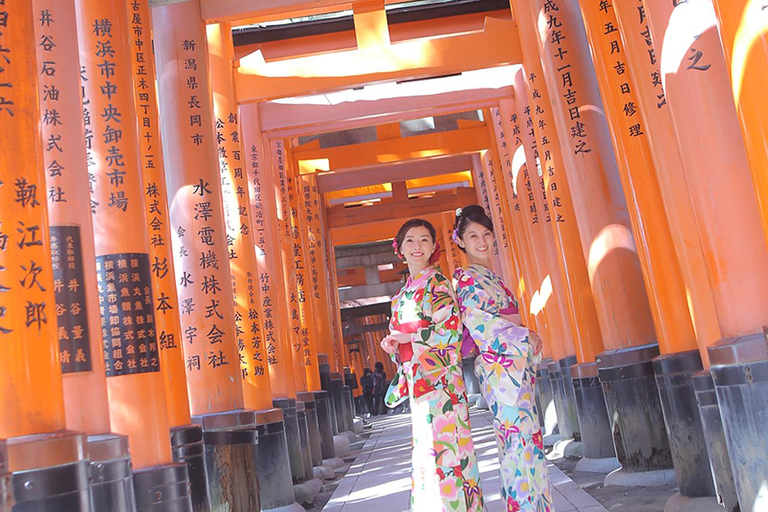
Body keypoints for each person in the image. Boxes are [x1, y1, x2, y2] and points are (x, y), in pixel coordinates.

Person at [451, 205, 552, 512]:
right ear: (461, 242)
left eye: (486, 234)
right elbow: (480, 324)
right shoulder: (467, 278)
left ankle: (533, 506)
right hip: (501, 368)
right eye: (473, 236)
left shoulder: (490, 277)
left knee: (527, 443)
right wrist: (524, 335)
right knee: (517, 446)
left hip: (513, 368)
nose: (481, 241)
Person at [380, 218, 484, 512]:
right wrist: (393, 345)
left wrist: (410, 337)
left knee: (449, 448)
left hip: (442, 381)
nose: (417, 246)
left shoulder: (438, 282)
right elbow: (401, 342)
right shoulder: (400, 297)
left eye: (424, 239)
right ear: (399, 248)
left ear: (433, 247)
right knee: (427, 449)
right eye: (410, 240)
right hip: (417, 380)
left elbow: (451, 329)